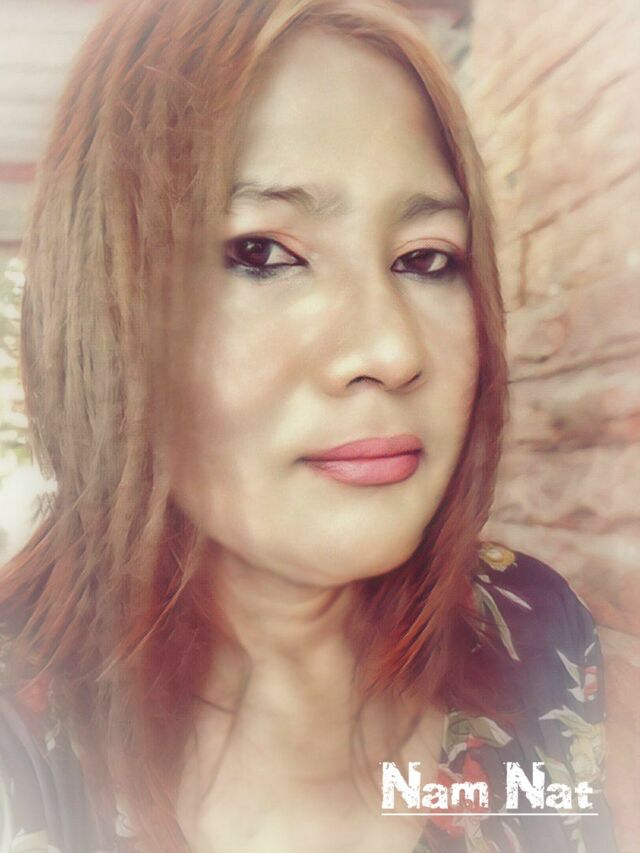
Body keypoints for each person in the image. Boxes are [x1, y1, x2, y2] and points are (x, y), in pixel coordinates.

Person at [0, 0, 618, 851]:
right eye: (262, 252)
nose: (392, 350)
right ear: (102, 300)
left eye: (426, 258)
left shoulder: (530, 624)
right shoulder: (22, 731)